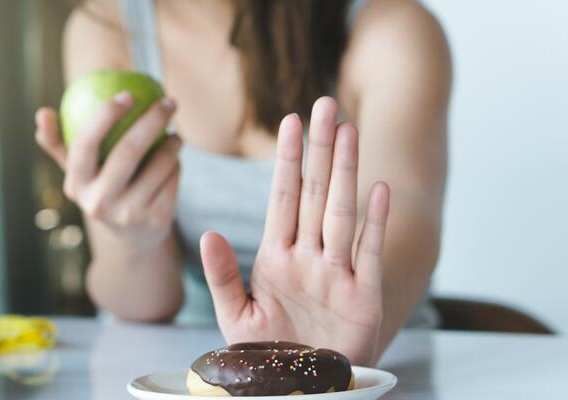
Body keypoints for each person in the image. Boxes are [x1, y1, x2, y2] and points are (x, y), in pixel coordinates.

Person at [35, 0, 451, 366]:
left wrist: (338, 340)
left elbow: (408, 212)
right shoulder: (107, 24)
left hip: (379, 365)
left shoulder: (392, 28)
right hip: (187, 373)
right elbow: (146, 308)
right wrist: (132, 238)